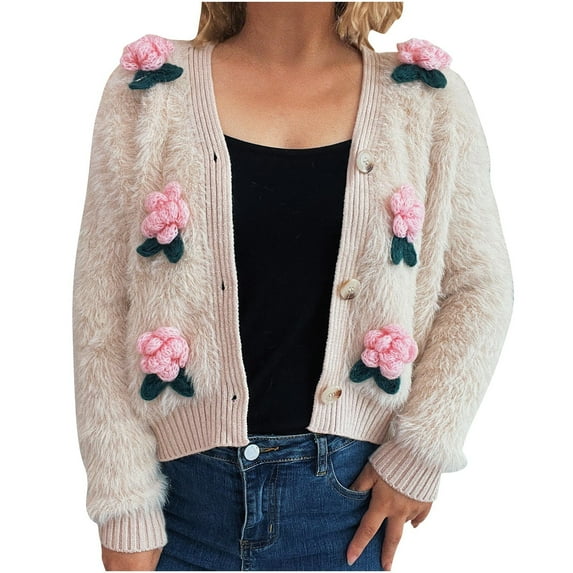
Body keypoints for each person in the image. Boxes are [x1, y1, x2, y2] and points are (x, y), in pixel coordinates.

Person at [73, 2, 513, 571]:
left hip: (343, 506)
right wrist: (123, 504)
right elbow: (102, 307)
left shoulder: (426, 98)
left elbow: (478, 286)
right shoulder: (149, 90)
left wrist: (419, 454)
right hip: (178, 506)